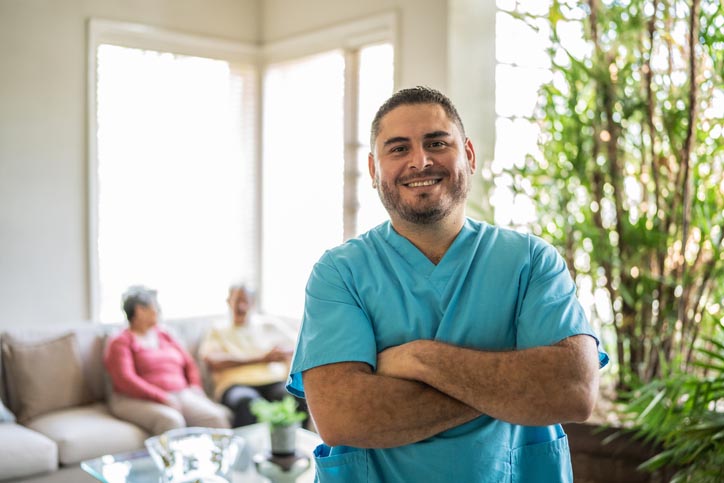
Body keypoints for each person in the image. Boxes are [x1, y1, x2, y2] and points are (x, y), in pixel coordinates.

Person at [286, 86, 609, 482]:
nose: (420, 161)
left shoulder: (529, 261)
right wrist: (512, 387)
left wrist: (419, 359)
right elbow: (341, 416)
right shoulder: (340, 272)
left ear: (468, 156)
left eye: (436, 142)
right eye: (398, 148)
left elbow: (572, 390)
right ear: (373, 171)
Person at [104, 285, 231, 435]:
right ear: (139, 310)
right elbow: (126, 380)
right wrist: (162, 397)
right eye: (154, 307)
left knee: (215, 417)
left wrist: (195, 386)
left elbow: (189, 363)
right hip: (135, 399)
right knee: (171, 420)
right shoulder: (120, 341)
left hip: (180, 393)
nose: (158, 311)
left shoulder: (164, 335)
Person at [198, 284, 306, 427]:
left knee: (295, 394)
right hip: (235, 385)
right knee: (247, 402)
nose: (241, 306)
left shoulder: (267, 325)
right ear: (229, 301)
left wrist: (281, 352)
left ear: (253, 303)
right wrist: (260, 359)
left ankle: (297, 444)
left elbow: (299, 344)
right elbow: (212, 360)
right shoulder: (217, 328)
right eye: (237, 300)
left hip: (272, 381)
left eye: (245, 301)